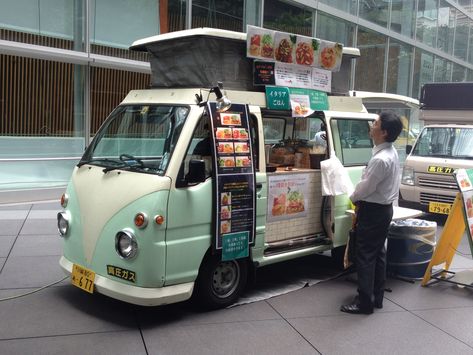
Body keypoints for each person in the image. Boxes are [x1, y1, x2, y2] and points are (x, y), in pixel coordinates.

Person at [340, 111, 403, 315]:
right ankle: (377, 298)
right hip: (384, 209)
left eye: (375, 123)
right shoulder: (390, 152)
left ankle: (364, 302)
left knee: (365, 255)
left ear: (384, 132)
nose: (372, 125)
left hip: (374, 210)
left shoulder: (380, 159)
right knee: (378, 253)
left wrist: (353, 196)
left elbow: (367, 187)